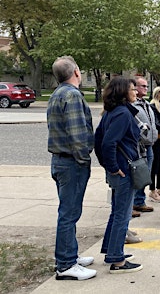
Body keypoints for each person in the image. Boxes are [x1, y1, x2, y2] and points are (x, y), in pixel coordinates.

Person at [47, 56, 96, 280]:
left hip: (60, 161)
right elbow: (78, 136)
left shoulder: (57, 93)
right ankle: (66, 264)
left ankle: (69, 255)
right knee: (69, 213)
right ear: (76, 72)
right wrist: (84, 159)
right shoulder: (72, 95)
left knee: (68, 212)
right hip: (70, 163)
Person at [94, 77, 143, 273]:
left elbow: (99, 140)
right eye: (132, 89)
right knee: (122, 214)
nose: (136, 93)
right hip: (123, 170)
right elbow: (107, 143)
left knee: (117, 212)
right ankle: (117, 259)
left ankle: (111, 250)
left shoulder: (111, 112)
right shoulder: (123, 113)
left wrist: (106, 165)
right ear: (123, 92)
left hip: (118, 169)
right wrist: (112, 166)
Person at [132, 76, 158, 214]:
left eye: (147, 86)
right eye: (143, 86)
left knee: (145, 175)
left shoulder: (146, 104)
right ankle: (131, 204)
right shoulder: (132, 105)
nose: (146, 89)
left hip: (149, 145)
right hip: (138, 147)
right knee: (137, 175)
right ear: (135, 88)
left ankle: (139, 201)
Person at [149, 86, 160, 203]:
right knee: (154, 165)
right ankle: (152, 190)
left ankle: (159, 188)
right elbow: (155, 123)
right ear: (157, 95)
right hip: (156, 139)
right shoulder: (152, 107)